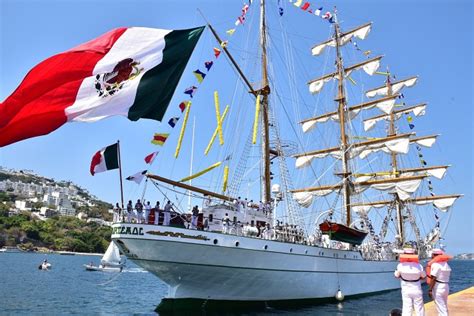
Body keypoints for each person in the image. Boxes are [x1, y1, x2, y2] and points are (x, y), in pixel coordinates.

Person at [394, 248, 426, 316]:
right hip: (417, 289)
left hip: (406, 290)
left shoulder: (400, 265)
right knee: (419, 309)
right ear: (413, 254)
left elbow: (396, 276)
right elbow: (423, 276)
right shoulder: (419, 266)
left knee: (406, 308)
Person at [427, 248, 452, 316]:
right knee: (444, 306)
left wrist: (430, 290)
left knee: (441, 308)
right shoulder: (446, 264)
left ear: (434, 255)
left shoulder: (435, 265)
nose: (431, 256)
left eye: (432, 255)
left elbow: (433, 278)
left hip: (438, 287)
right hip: (446, 286)